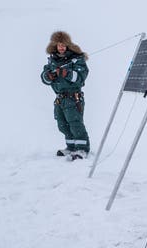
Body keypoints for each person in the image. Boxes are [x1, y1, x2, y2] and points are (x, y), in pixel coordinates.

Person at [40, 31, 90, 160]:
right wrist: (48, 76)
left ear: (67, 45)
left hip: (73, 98)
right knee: (62, 124)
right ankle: (71, 147)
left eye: (63, 45)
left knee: (75, 123)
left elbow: (81, 77)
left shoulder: (77, 59)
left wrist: (66, 73)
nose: (61, 48)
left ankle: (82, 149)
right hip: (60, 98)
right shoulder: (52, 61)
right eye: (58, 45)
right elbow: (44, 78)